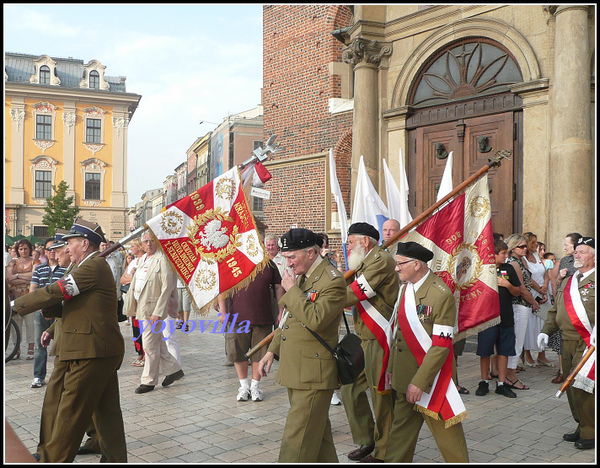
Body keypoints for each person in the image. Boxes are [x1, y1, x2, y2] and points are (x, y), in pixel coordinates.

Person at [11, 218, 127, 462]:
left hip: (92, 350)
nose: (66, 249)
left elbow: (58, 291)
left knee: (70, 412)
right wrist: (52, 318)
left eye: (70, 243)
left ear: (84, 244)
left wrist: (13, 306)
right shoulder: (84, 265)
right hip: (96, 348)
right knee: (106, 416)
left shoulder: (93, 266)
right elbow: (74, 305)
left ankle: (53, 459)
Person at [258, 228, 346, 462]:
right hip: (298, 370)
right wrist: (272, 350)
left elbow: (316, 319)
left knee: (296, 443)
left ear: (311, 252)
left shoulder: (332, 280)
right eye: (286, 258)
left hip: (313, 374)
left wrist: (293, 290)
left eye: (291, 257)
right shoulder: (305, 275)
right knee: (318, 438)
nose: (287, 264)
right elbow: (289, 319)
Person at [385, 241, 469, 462]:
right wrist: (393, 369)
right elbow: (398, 336)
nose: (396, 268)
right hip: (405, 376)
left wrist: (420, 382)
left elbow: (441, 345)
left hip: (431, 381)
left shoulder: (440, 294)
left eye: (400, 264)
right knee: (400, 436)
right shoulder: (406, 288)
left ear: (416, 264)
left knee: (449, 440)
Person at [341, 222, 399, 462]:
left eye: (351, 242)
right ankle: (368, 439)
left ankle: (385, 450)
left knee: (380, 394)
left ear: (365, 241)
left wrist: (318, 298)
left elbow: (355, 294)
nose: (348, 247)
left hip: (379, 337)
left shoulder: (380, 261)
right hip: (364, 337)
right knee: (350, 389)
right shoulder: (364, 262)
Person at [538, 236, 595, 451]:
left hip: (587, 342)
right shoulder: (571, 280)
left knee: (584, 388)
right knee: (571, 387)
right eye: (575, 252)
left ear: (594, 256)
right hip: (566, 342)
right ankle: (582, 425)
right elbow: (555, 309)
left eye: (582, 252)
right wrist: (546, 330)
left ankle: (591, 431)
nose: (576, 255)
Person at [124, 230, 184, 394]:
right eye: (146, 241)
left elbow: (167, 287)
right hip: (141, 307)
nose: (149, 243)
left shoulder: (163, 260)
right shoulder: (142, 259)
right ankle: (174, 370)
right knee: (158, 344)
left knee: (149, 345)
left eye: (152, 240)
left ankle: (149, 381)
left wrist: (159, 311)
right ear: (142, 244)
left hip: (153, 309)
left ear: (157, 242)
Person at [219, 259, 284, 402]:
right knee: (238, 352)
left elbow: (278, 286)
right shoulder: (232, 261)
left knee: (259, 354)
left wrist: (281, 310)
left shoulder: (269, 264)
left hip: (263, 316)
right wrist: (223, 312)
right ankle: (243, 386)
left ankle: (255, 386)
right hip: (237, 316)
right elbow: (222, 287)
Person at [475, 239, 519, 398]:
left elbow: (517, 291)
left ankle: (501, 383)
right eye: (503, 253)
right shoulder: (482, 269)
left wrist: (507, 285)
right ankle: (483, 381)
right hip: (486, 317)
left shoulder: (509, 268)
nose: (506, 256)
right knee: (485, 351)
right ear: (492, 255)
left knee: (504, 351)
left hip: (505, 316)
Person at [29, 234, 68, 388]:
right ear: (45, 251)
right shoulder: (39, 269)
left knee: (61, 343)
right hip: (40, 311)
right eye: (49, 249)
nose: (52, 252)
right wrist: (40, 306)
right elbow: (33, 290)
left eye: (55, 249)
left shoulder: (65, 269)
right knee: (40, 344)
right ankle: (38, 376)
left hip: (59, 311)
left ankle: (60, 375)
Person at [504, 234, 540, 390]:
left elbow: (528, 281)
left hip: (521, 304)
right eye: (521, 246)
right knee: (517, 341)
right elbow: (522, 288)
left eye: (526, 246)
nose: (525, 248)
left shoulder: (520, 261)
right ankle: (511, 376)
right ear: (513, 247)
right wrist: (534, 302)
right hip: (519, 305)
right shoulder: (514, 263)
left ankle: (508, 373)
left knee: (517, 340)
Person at [522, 232, 554, 367]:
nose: (536, 245)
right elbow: (527, 278)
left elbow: (545, 272)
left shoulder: (536, 256)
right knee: (530, 324)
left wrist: (545, 286)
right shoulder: (524, 259)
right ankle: (528, 354)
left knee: (544, 322)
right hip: (532, 293)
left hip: (543, 291)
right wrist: (539, 289)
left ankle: (542, 354)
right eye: (534, 243)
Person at [6, 239, 42, 360]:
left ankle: (30, 348)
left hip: (30, 297)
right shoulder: (13, 262)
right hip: (15, 297)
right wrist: (26, 278)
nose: (23, 251)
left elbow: (35, 275)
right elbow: (9, 278)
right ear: (17, 250)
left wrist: (17, 277)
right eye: (21, 249)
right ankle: (17, 349)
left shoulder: (35, 261)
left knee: (30, 323)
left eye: (26, 248)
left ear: (30, 249)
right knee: (16, 324)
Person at [121, 238, 145, 366]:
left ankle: (146, 355)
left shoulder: (146, 260)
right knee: (136, 328)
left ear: (139, 247)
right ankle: (139, 353)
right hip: (133, 299)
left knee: (145, 328)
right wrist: (134, 277)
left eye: (133, 246)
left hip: (143, 300)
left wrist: (132, 278)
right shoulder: (133, 262)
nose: (131, 248)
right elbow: (122, 279)